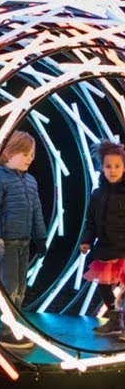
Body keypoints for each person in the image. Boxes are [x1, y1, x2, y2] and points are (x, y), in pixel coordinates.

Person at [0, 129, 47, 349]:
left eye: (32, 155)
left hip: (25, 242)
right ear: (9, 152)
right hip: (7, 243)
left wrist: (41, 238)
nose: (30, 158)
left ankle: (14, 327)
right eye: (25, 153)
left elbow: (37, 211)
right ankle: (5, 331)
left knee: (21, 288)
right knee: (9, 287)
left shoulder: (30, 181)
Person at [81, 141, 125, 336]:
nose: (112, 170)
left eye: (117, 166)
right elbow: (91, 222)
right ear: (102, 167)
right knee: (105, 288)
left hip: (123, 249)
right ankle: (115, 321)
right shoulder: (98, 194)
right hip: (105, 250)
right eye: (108, 166)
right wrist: (86, 241)